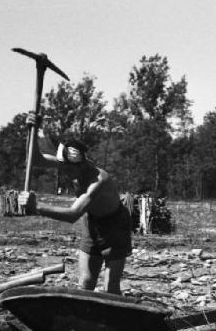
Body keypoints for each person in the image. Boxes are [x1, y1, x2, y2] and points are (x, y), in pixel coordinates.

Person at [18, 113, 132, 295]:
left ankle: (112, 319)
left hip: (115, 226)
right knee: (86, 283)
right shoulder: (68, 162)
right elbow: (35, 159)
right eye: (64, 167)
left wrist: (37, 207)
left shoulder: (97, 180)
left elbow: (73, 214)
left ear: (82, 163)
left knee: (110, 288)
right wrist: (31, 131)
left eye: (70, 169)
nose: (67, 172)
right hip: (92, 223)